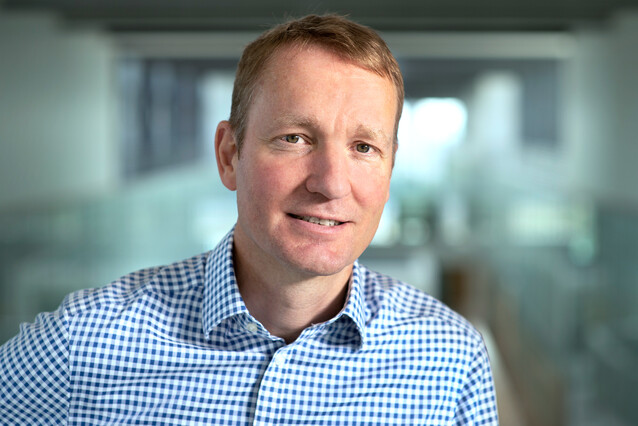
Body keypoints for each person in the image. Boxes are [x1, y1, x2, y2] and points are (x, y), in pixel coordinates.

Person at [0, 14, 498, 425]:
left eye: (363, 147)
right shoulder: (81, 345)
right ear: (229, 155)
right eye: (294, 139)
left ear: (390, 172)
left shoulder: (450, 360)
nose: (331, 182)